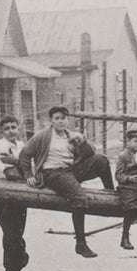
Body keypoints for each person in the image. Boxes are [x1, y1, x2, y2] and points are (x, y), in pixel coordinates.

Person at [19, 105, 114, 258]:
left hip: (71, 169)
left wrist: (82, 141)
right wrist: (28, 174)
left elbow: (90, 154)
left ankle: (111, 193)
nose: (61, 121)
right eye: (57, 118)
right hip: (53, 172)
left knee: (101, 160)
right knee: (79, 197)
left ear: (67, 120)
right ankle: (80, 244)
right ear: (51, 121)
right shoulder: (43, 136)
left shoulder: (71, 135)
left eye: (63, 118)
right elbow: (24, 154)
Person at [0, 116, 30, 271]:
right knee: (11, 231)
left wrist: (19, 163)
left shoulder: (21, 146)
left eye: (13, 127)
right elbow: (11, 174)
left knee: (18, 230)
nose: (11, 131)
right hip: (4, 194)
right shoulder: (2, 146)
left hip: (20, 195)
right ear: (2, 131)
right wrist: (24, 169)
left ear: (18, 128)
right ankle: (12, 269)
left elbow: (30, 167)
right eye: (7, 129)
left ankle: (16, 267)